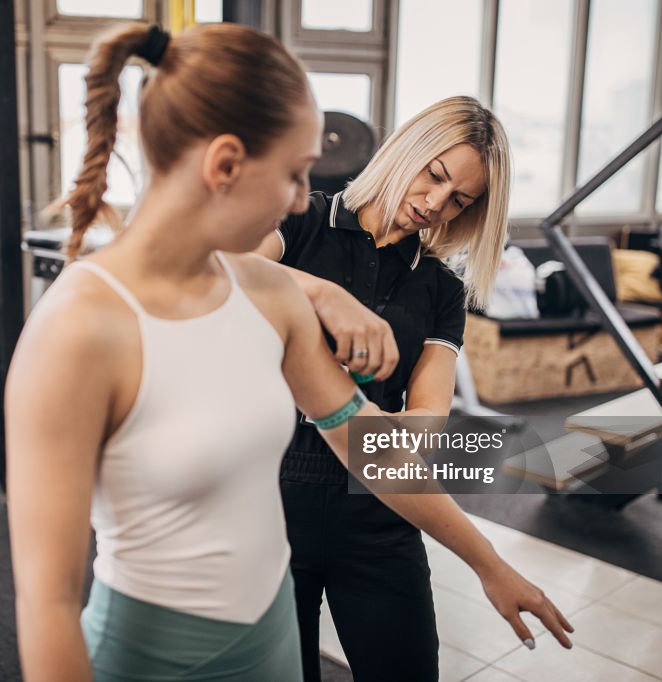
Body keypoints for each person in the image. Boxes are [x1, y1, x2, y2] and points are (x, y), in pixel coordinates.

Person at [5, 22, 572, 682]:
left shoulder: (278, 298)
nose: (305, 197)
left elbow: (375, 449)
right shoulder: (76, 329)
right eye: (296, 174)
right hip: (158, 651)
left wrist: (489, 562)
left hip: (273, 631)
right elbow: (46, 606)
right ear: (225, 165)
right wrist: (324, 291)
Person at [253, 96, 515, 681]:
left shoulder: (441, 289)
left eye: (460, 200)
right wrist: (324, 295)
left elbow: (429, 407)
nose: (435, 204)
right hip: (266, 503)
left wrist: (414, 430)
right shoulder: (300, 222)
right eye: (436, 176)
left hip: (373, 504)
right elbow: (225, 272)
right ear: (408, 150)